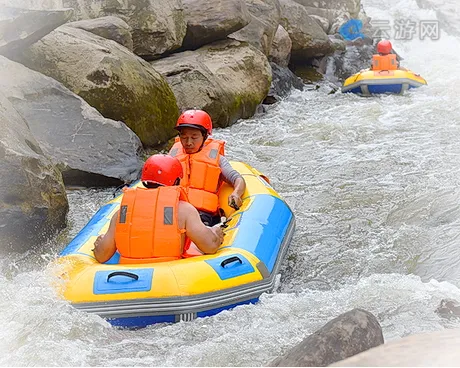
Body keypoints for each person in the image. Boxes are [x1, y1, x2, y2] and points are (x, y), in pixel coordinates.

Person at [93, 154, 224, 264]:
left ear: (144, 181)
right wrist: (216, 233)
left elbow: (102, 255)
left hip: (129, 278)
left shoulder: (122, 212)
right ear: (176, 181)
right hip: (170, 277)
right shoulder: (184, 211)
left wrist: (98, 244)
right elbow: (210, 246)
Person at [169, 109, 246, 227]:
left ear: (204, 136)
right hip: (175, 211)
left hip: (202, 215)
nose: (188, 142)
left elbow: (237, 179)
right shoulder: (171, 159)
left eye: (194, 137)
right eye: (184, 137)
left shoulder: (217, 159)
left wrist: (236, 194)